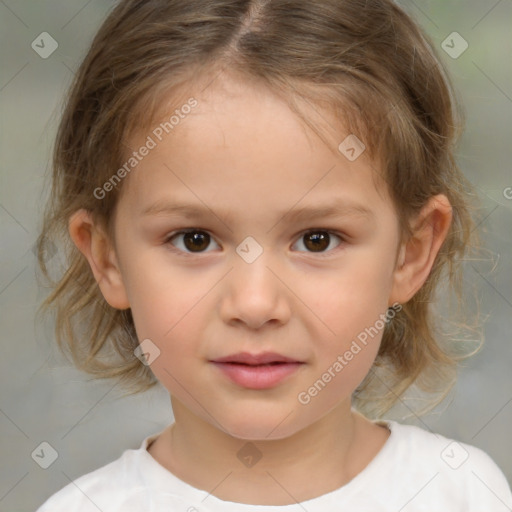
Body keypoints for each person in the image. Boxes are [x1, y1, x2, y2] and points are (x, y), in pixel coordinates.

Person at [35, 0, 512, 510]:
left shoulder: (462, 492)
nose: (256, 304)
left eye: (317, 240)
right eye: (195, 239)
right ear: (108, 259)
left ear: (410, 254)